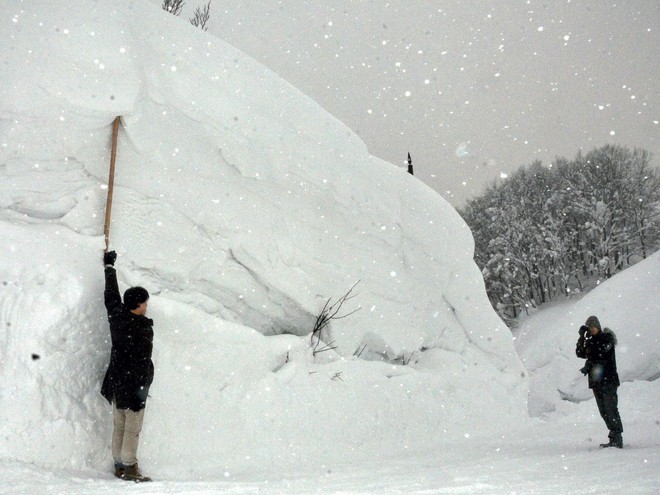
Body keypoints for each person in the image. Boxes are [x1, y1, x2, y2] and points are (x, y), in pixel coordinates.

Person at [101, 250, 154, 481]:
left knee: (119, 425)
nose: (146, 306)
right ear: (138, 305)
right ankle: (130, 469)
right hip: (133, 385)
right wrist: (140, 391)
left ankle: (119, 466)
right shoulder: (142, 329)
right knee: (132, 429)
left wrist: (109, 268)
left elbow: (111, 296)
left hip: (116, 380)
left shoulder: (117, 315)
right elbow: (142, 364)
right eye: (145, 303)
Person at [575, 315, 623, 448]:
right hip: (597, 382)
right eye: (589, 328)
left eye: (592, 327)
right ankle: (613, 436)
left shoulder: (607, 338)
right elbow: (580, 353)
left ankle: (617, 437)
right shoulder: (591, 341)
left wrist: (589, 364)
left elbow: (600, 353)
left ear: (598, 327)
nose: (591, 330)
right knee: (603, 411)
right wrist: (582, 338)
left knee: (611, 409)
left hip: (609, 380)